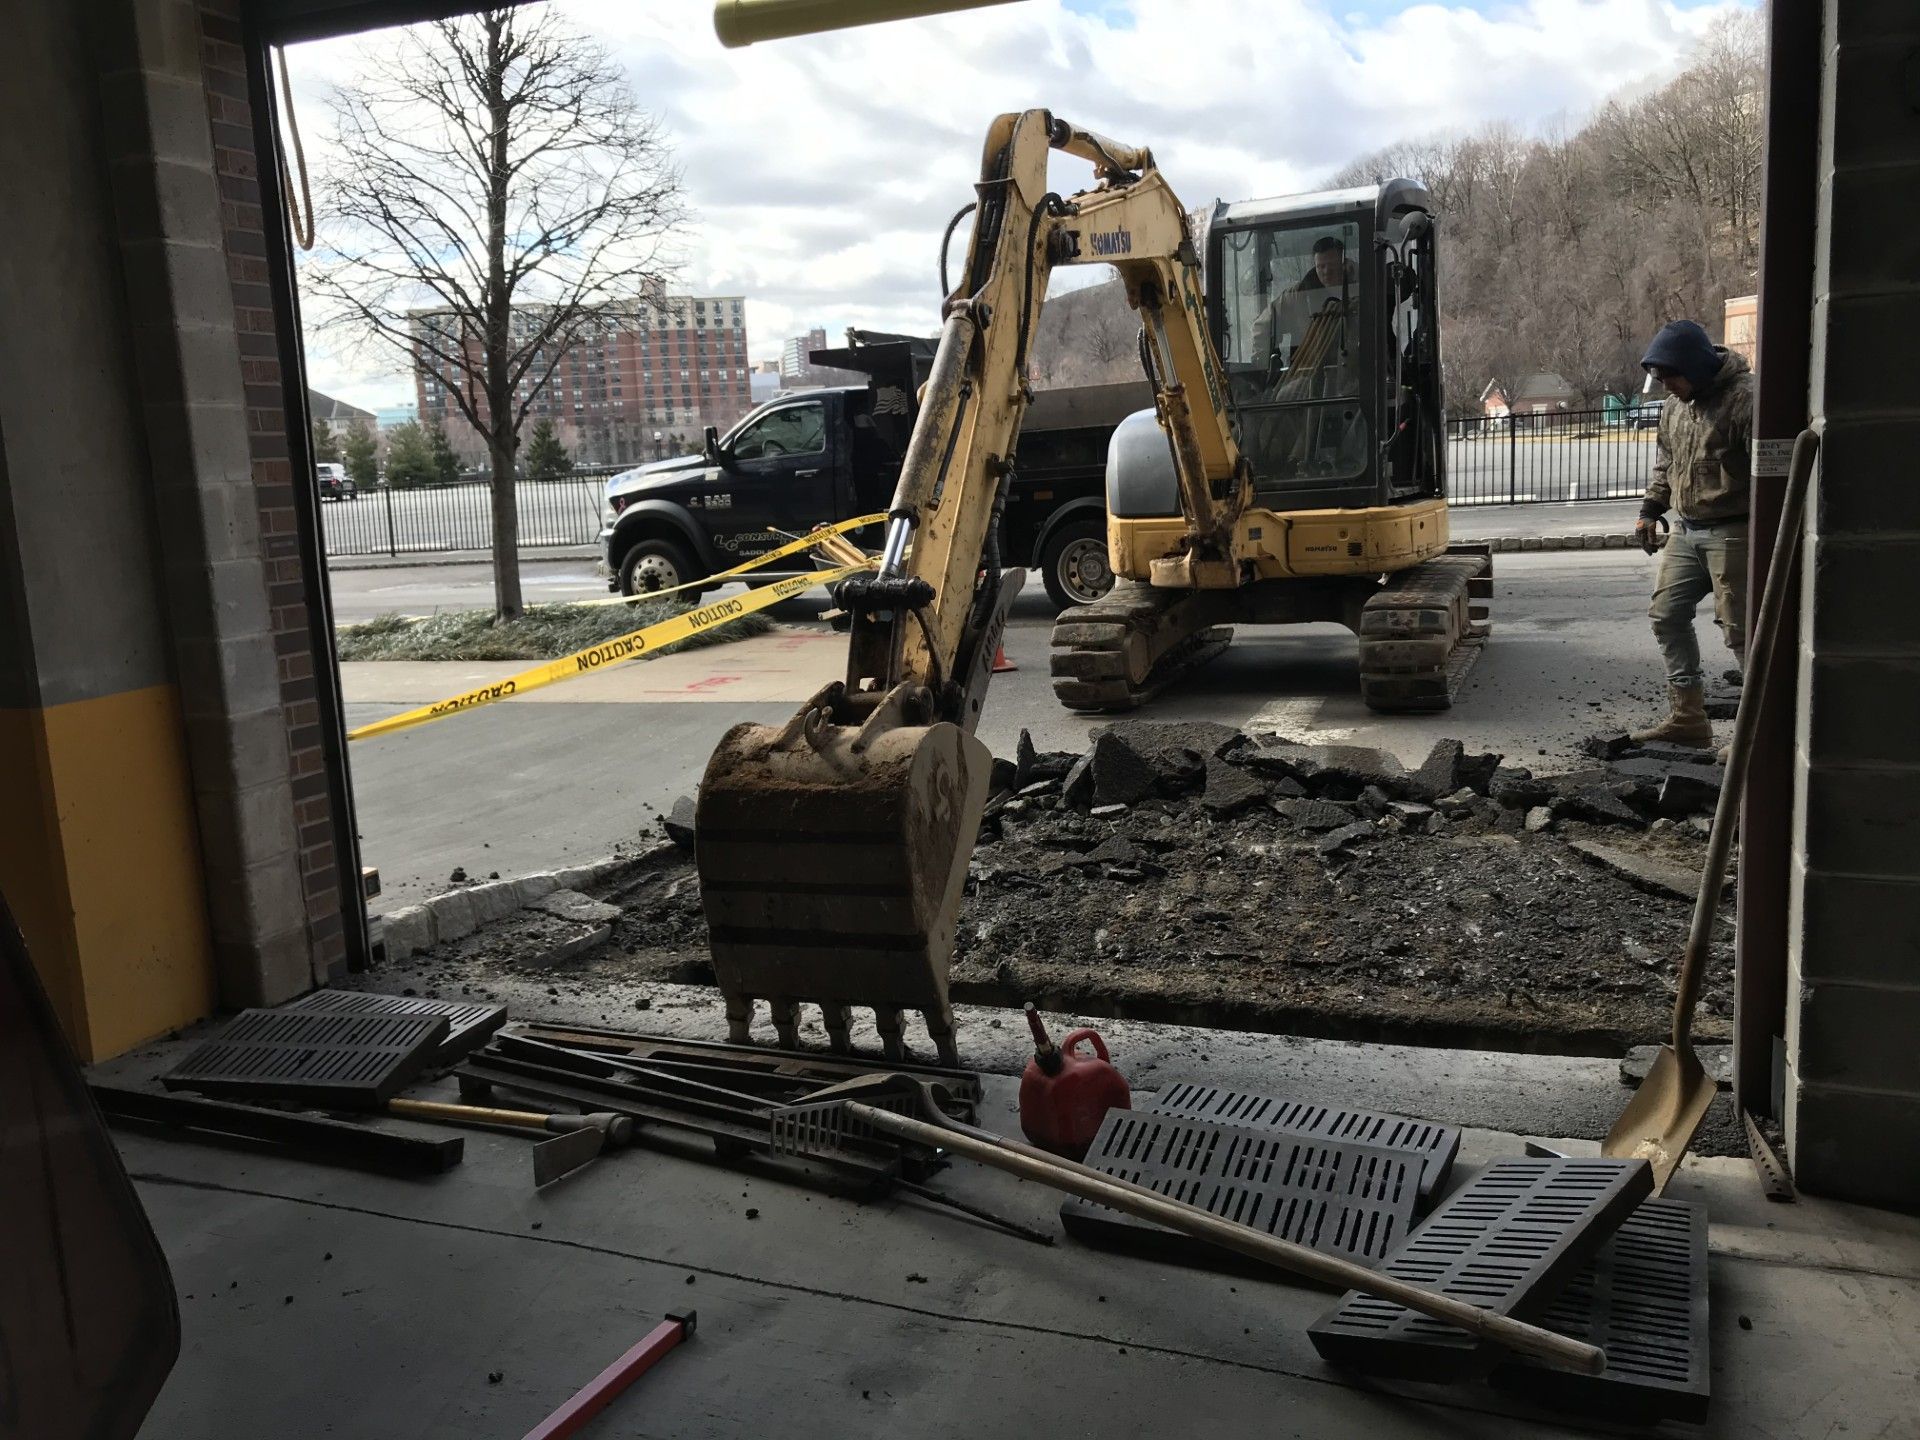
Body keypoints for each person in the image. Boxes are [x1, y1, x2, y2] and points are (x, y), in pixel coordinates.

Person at [1629, 319, 1754, 749]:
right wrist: (1650, 511)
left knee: (1740, 631)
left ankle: (1754, 735)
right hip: (1687, 529)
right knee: (1666, 614)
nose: (1666, 386)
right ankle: (1688, 718)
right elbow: (1667, 463)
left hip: (1735, 530)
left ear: (1695, 367)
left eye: (1671, 376)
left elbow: (1772, 475)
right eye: (1659, 378)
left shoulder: (1746, 401)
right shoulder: (1673, 408)